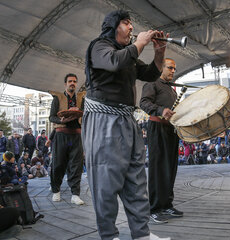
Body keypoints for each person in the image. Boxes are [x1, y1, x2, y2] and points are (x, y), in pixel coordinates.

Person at [82, 10, 170, 240]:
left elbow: (150, 73)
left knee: (136, 179)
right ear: (113, 26)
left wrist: (159, 52)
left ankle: (141, 234)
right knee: (106, 181)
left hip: (126, 120)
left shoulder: (127, 54)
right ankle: (109, 236)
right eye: (126, 23)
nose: (131, 28)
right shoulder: (99, 47)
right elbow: (113, 62)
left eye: (131, 24)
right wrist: (140, 43)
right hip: (103, 121)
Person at [140, 57, 184, 224]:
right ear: (162, 68)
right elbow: (143, 102)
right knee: (158, 169)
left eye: (174, 68)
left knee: (170, 168)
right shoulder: (152, 83)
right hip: (157, 128)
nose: (173, 71)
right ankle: (154, 208)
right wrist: (160, 110)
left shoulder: (171, 90)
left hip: (171, 130)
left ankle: (166, 205)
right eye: (170, 68)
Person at [48, 73, 85, 206]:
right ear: (65, 84)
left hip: (75, 135)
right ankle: (56, 190)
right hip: (61, 135)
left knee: (76, 165)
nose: (72, 83)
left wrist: (79, 113)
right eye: (70, 81)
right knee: (58, 163)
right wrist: (61, 119)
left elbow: (85, 115)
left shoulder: (81, 98)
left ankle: (75, 194)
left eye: (74, 81)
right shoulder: (58, 98)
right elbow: (51, 117)